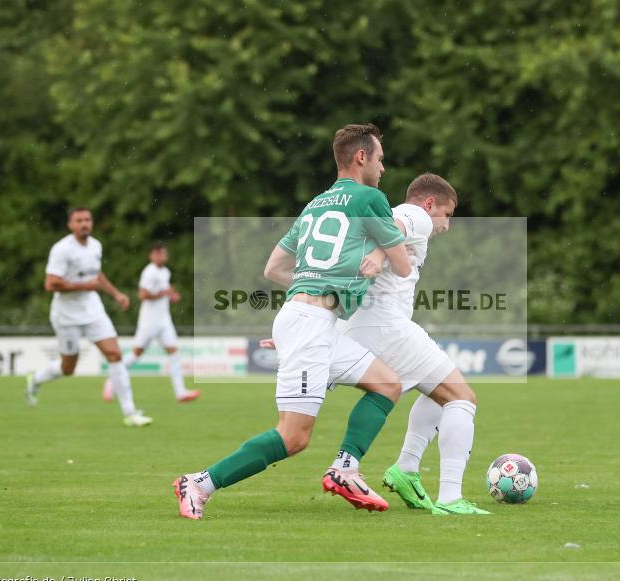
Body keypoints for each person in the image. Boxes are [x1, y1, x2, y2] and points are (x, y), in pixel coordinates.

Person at [172, 123, 412, 519]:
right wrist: (382, 254)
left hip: (311, 320)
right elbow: (402, 265)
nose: (384, 168)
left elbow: (273, 268)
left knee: (388, 384)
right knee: (294, 437)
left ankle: (346, 468)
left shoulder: (316, 204)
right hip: (310, 323)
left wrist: (310, 291)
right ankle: (199, 483)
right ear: (362, 157)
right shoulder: (371, 198)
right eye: (381, 159)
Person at [344, 173, 488, 514]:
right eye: (448, 215)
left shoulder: (382, 217)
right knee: (463, 398)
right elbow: (398, 224)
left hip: (361, 327)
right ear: (429, 204)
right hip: (388, 329)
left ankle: (406, 469)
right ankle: (451, 497)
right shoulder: (417, 215)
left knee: (437, 392)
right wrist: (381, 255)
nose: (446, 225)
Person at [25, 207, 153, 427]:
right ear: (70, 225)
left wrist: (116, 294)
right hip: (66, 315)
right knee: (68, 368)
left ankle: (130, 413)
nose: (84, 224)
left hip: (93, 310)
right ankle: (35, 379)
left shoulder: (95, 246)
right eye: (79, 220)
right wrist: (84, 285)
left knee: (114, 354)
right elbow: (50, 283)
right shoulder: (62, 249)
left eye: (87, 219)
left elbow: (97, 274)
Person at [101, 242, 200, 404]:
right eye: (159, 253)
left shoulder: (165, 272)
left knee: (174, 353)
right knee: (136, 354)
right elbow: (143, 295)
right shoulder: (149, 272)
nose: (162, 256)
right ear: (152, 255)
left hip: (164, 320)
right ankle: (111, 381)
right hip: (149, 321)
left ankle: (180, 392)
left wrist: (172, 295)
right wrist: (163, 294)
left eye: (164, 253)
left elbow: (164, 291)